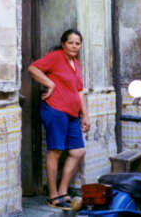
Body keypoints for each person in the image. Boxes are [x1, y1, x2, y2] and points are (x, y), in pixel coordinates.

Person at [28, 29, 90, 210]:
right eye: (70, 42)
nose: (74, 46)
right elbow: (32, 68)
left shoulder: (75, 63)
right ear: (63, 43)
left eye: (77, 43)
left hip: (72, 113)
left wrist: (84, 114)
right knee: (55, 151)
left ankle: (63, 191)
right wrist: (50, 84)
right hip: (55, 109)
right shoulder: (56, 57)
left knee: (78, 151)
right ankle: (53, 195)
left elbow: (79, 90)